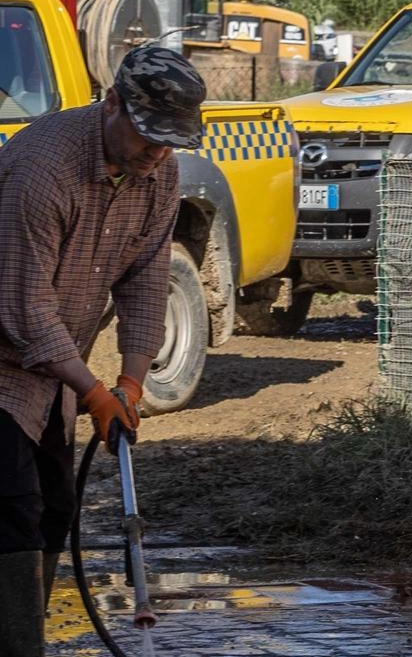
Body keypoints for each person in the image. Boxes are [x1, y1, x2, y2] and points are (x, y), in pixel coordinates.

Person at [0, 46, 205, 656]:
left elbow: (146, 276)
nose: (157, 154)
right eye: (147, 137)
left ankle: (18, 634)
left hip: (51, 377)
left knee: (55, 507)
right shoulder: (41, 170)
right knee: (11, 510)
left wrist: (132, 380)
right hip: (8, 362)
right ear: (111, 102)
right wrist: (92, 391)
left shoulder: (157, 169)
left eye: (170, 142)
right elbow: (25, 307)